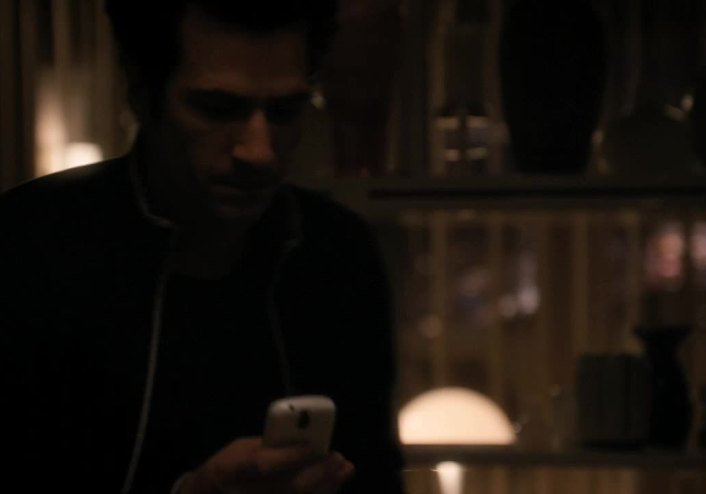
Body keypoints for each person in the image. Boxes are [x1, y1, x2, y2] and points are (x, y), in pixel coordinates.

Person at [0, 1, 405, 493]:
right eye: (217, 109)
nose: (259, 151)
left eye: (285, 112)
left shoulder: (336, 254)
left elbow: (375, 475)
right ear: (141, 94)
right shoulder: (28, 248)